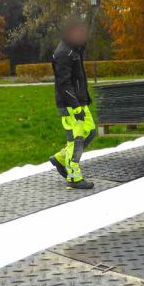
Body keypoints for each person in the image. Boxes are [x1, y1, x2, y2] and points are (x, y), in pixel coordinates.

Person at [49, 18, 96, 190]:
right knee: (77, 140)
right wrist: (75, 107)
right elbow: (64, 83)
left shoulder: (73, 50)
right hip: (71, 105)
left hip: (80, 102)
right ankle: (74, 177)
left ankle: (61, 158)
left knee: (90, 132)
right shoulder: (63, 53)